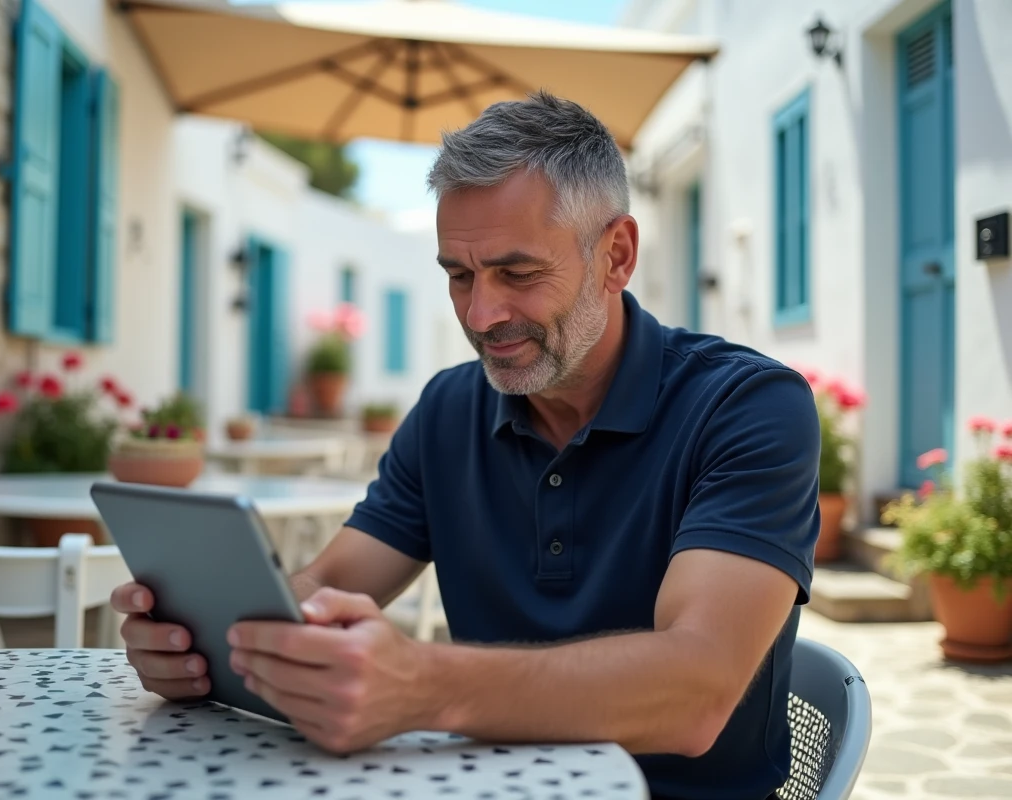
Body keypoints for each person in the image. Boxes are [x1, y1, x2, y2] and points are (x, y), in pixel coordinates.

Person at [110, 91, 820, 800]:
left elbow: (695, 692)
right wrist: (208, 643)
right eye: (459, 275)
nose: (482, 315)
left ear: (617, 255)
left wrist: (423, 685)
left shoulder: (748, 407)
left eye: (518, 273)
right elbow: (329, 589)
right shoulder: (450, 409)